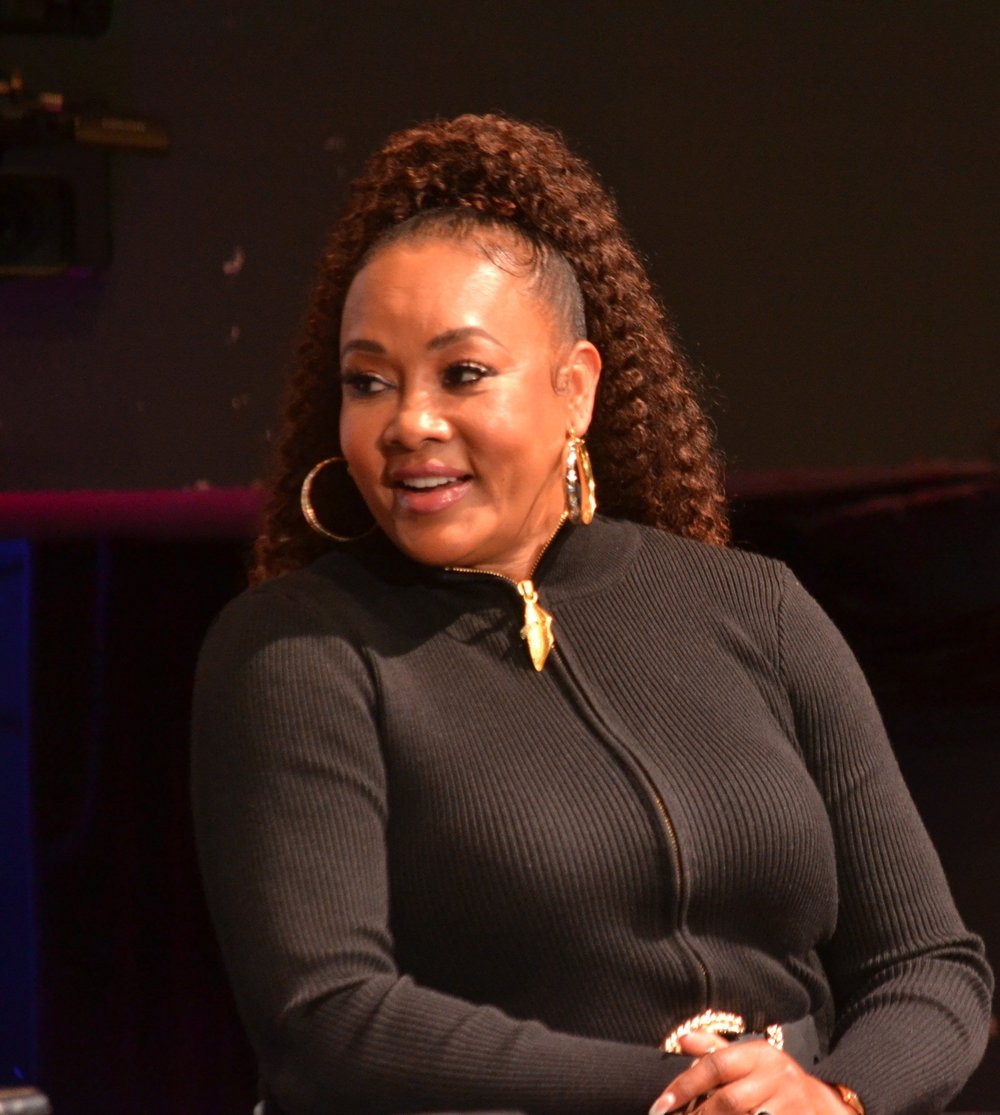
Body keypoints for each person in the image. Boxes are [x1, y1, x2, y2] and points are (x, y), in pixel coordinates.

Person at [190, 113, 992, 1115]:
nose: (409, 421)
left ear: (574, 388)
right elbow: (329, 1017)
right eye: (369, 383)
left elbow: (929, 963)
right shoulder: (297, 651)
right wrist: (688, 1095)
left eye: (462, 373)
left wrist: (835, 1096)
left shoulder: (755, 607)